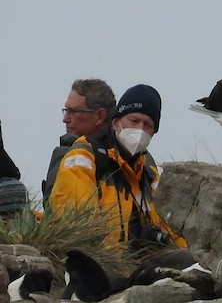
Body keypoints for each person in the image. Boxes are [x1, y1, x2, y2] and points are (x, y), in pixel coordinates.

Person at [49, 84, 187, 248]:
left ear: (153, 133)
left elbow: (173, 231)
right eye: (134, 121)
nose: (140, 130)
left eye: (147, 125)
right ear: (115, 123)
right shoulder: (84, 157)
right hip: (98, 264)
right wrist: (127, 249)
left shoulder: (149, 173)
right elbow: (78, 225)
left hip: (141, 268)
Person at [42, 79, 116, 207]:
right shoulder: (129, 156)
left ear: (99, 116)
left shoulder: (129, 160)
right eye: (66, 110)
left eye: (73, 111)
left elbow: (70, 220)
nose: (65, 119)